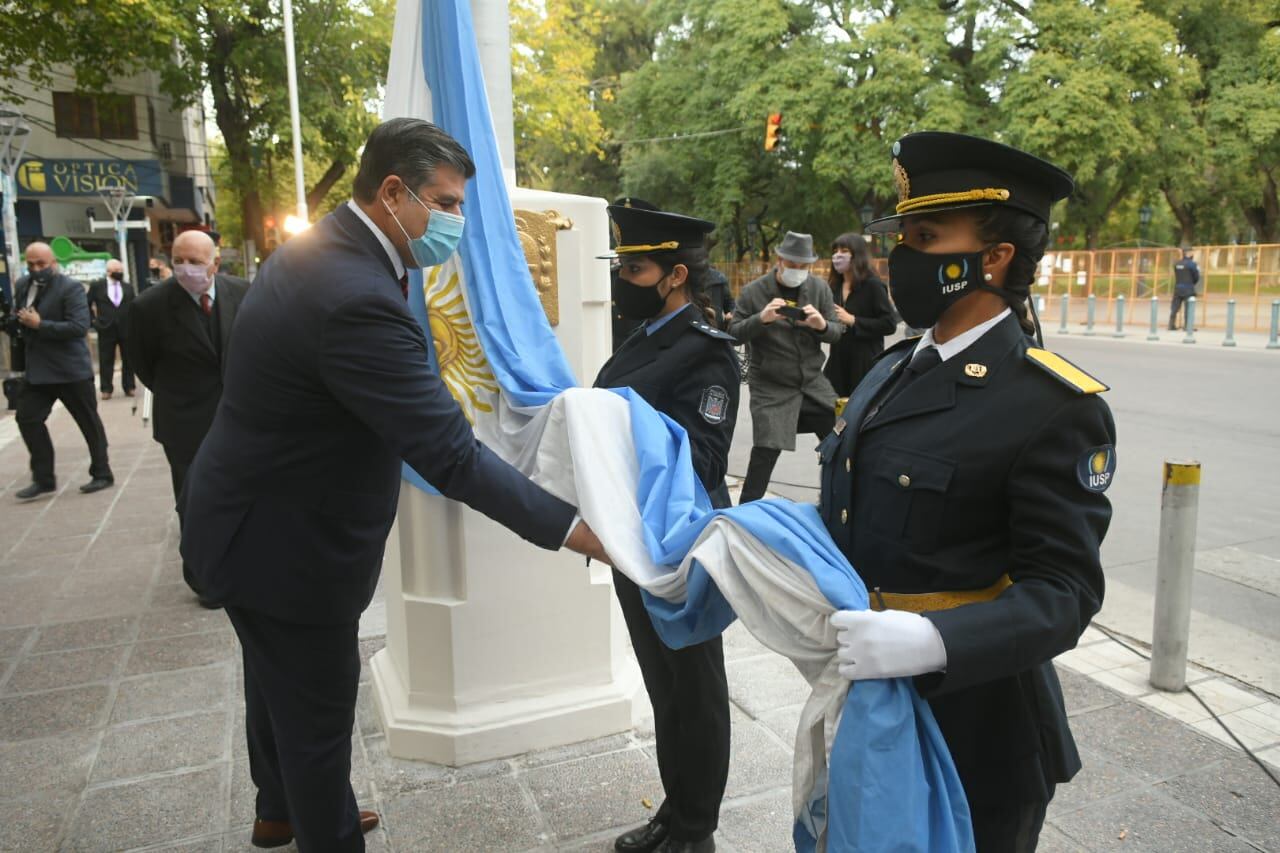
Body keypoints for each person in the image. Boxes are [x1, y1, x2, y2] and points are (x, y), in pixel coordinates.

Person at [179, 118, 607, 852]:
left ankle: (277, 809)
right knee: (316, 719)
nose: (457, 222)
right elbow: (451, 457)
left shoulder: (315, 251)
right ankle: (323, 827)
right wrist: (578, 529)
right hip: (288, 548)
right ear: (391, 191)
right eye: (445, 202)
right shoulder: (355, 296)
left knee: (274, 681)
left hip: (245, 516)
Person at [821, 132, 1116, 852]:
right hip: (873, 706)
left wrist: (930, 637)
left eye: (926, 237)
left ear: (994, 258)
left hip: (981, 731)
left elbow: (1065, 591)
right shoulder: (890, 373)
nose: (900, 257)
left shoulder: (1052, 404)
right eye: (901, 236)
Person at [596, 200, 739, 853]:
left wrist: (612, 431)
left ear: (676, 274)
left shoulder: (706, 354)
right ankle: (674, 811)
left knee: (696, 692)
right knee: (663, 689)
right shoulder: (646, 337)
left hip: (683, 549)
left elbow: (703, 459)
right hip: (635, 541)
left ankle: (696, 829)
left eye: (636, 267)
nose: (624, 278)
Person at [126, 230, 249, 602]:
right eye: (179, 259)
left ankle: (243, 566)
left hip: (238, 417)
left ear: (215, 263)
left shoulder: (241, 293)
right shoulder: (149, 307)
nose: (186, 268)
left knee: (242, 496)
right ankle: (203, 579)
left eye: (195, 261)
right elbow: (144, 366)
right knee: (194, 501)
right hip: (184, 421)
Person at [728, 231, 843, 504]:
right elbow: (733, 334)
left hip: (813, 383)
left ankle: (835, 501)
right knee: (766, 451)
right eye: (793, 264)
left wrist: (821, 326)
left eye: (804, 266)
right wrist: (762, 319)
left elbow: (837, 332)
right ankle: (746, 512)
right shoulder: (754, 291)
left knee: (839, 442)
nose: (798, 270)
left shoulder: (819, 288)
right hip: (771, 384)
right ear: (780, 260)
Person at [11, 242, 114, 500]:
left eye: (41, 264)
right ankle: (44, 478)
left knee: (88, 422)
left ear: (53, 262)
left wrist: (40, 324)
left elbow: (79, 327)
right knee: (27, 418)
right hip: (38, 371)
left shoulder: (71, 288)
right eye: (31, 264)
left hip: (71, 370)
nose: (36, 269)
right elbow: (21, 317)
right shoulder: (23, 285)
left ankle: (102, 473)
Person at [821, 234, 896, 397]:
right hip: (837, 363)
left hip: (864, 364)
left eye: (844, 250)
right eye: (835, 251)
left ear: (857, 254)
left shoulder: (873, 285)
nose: (838, 255)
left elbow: (889, 324)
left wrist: (853, 320)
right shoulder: (834, 286)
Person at [86, 258, 136, 399]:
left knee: (128, 359)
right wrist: (93, 322)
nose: (119, 273)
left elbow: (133, 305)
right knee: (106, 359)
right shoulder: (98, 286)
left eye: (121, 271)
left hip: (125, 327)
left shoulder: (127, 287)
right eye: (116, 271)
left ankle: (129, 386)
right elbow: (86, 303)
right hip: (106, 327)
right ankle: (106, 389)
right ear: (108, 272)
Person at [1169, 248, 1200, 330]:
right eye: (1192, 253)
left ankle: (1171, 325)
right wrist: (1192, 282)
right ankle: (1187, 326)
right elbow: (1196, 277)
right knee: (1188, 308)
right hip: (1188, 288)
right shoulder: (1192, 264)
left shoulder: (1177, 264)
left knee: (1174, 307)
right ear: (1189, 254)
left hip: (1178, 288)